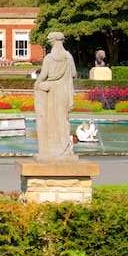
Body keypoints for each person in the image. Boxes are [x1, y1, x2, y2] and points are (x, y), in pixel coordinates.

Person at [34, 31, 78, 160]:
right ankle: (65, 148)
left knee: (52, 120)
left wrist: (37, 84)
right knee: (63, 119)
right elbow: (74, 73)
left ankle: (53, 149)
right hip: (65, 90)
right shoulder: (68, 56)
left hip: (52, 91)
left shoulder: (49, 58)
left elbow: (43, 75)